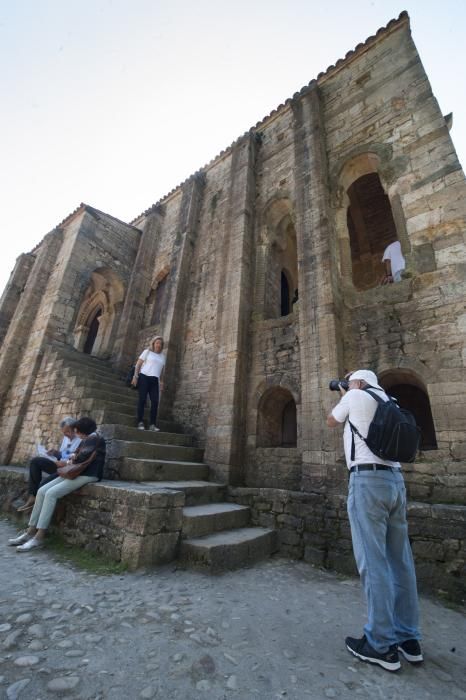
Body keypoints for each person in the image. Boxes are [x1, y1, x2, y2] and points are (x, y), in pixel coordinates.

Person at [327, 369, 422, 672]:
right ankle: (409, 640)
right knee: (400, 561)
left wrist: (346, 395)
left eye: (349, 379)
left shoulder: (354, 394)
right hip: (395, 482)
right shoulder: (388, 398)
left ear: (357, 381)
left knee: (373, 560)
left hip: (367, 482)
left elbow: (332, 420)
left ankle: (380, 644)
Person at [8, 417, 106, 552]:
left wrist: (71, 458)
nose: (76, 434)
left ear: (83, 432)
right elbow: (77, 456)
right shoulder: (90, 439)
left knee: (51, 493)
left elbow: (80, 458)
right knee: (42, 490)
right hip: (76, 472)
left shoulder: (94, 439)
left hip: (87, 475)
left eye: (78, 431)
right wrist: (71, 458)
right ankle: (30, 531)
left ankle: (39, 537)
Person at [17, 417, 82, 512]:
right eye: (64, 433)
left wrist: (64, 463)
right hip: (58, 464)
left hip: (68, 469)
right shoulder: (66, 438)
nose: (66, 435)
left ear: (74, 430)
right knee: (35, 461)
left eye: (67, 432)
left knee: (43, 485)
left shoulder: (81, 440)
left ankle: (35, 500)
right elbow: (64, 453)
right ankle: (32, 496)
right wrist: (55, 452)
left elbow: (78, 460)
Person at [131, 335, 165, 431]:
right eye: (157, 343)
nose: (159, 345)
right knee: (142, 400)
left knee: (155, 402)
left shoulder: (163, 356)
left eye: (161, 344)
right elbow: (138, 364)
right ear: (153, 343)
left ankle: (152, 425)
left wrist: (161, 382)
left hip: (155, 380)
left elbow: (162, 370)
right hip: (144, 377)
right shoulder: (147, 352)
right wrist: (135, 376)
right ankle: (140, 422)